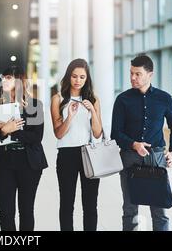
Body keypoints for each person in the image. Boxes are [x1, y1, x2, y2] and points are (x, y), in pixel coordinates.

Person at [111, 54, 172, 231]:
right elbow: (115, 133)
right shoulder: (122, 100)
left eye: (138, 74)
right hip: (129, 158)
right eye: (131, 73)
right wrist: (134, 144)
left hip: (156, 158)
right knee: (130, 209)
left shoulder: (164, 98)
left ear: (150, 74)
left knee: (159, 210)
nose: (133, 78)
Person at [0, 65, 47, 231]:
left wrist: (14, 131)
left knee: (26, 211)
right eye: (3, 77)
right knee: (6, 213)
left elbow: (36, 138)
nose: (3, 80)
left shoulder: (35, 105)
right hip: (4, 164)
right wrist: (4, 130)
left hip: (29, 164)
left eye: (8, 78)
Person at [50, 59, 103, 231]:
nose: (77, 80)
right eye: (74, 76)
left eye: (82, 77)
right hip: (66, 155)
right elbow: (58, 133)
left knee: (90, 205)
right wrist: (70, 116)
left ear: (87, 78)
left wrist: (93, 112)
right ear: (68, 77)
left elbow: (97, 133)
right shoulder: (58, 99)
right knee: (66, 203)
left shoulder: (93, 100)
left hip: (89, 154)